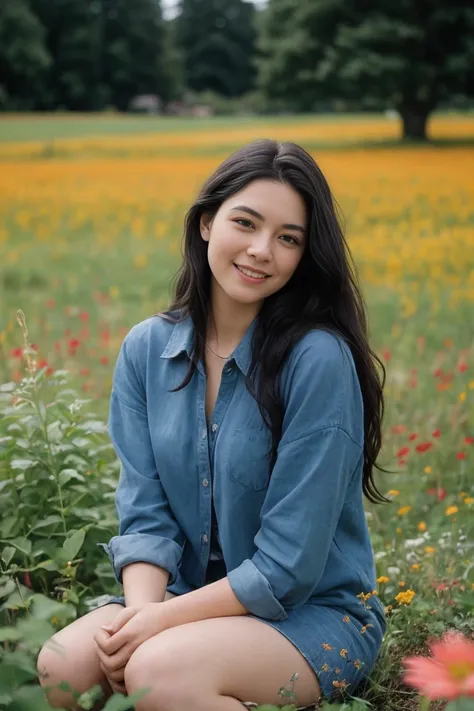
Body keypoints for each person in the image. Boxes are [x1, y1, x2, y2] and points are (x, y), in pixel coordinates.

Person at [37, 138, 388, 711]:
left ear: (304, 255)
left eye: (288, 238)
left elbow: (288, 568)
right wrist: (143, 614)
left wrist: (154, 628)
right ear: (206, 223)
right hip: (186, 595)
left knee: (158, 672)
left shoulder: (318, 360)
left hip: (313, 612)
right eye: (244, 223)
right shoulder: (146, 350)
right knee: (62, 667)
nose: (260, 251)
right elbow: (146, 516)